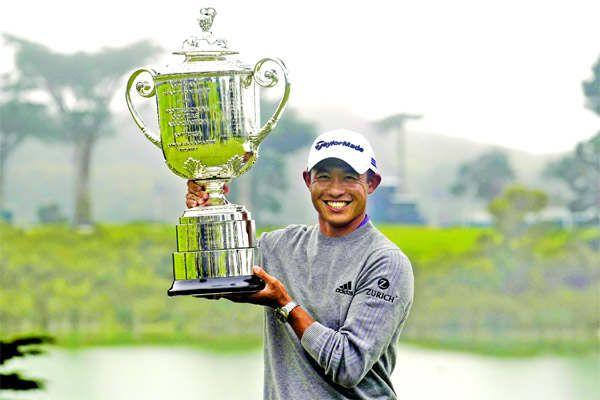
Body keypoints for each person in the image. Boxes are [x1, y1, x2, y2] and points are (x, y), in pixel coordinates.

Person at [186, 129, 414, 400]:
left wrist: (285, 305)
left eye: (350, 178)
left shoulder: (385, 262)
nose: (335, 189)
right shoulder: (279, 246)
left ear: (372, 183)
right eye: (324, 177)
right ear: (308, 180)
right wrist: (205, 211)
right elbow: (208, 282)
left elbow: (348, 365)